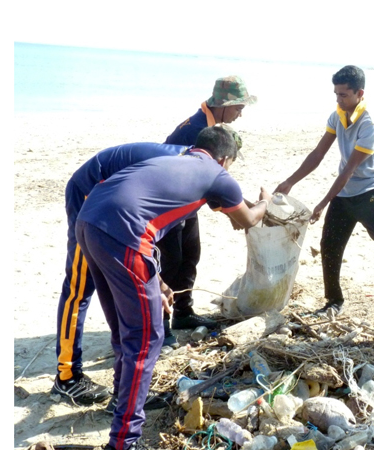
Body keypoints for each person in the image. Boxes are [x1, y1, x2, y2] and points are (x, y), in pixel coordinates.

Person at [75, 126, 270, 450]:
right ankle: (124, 441)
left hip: (90, 221)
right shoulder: (217, 174)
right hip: (123, 233)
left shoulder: (176, 160)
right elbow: (246, 219)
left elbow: (144, 215)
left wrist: (158, 282)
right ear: (224, 158)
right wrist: (264, 203)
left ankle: (120, 403)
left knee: (125, 330)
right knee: (146, 339)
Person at [275, 65, 374, 324]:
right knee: (329, 246)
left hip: (370, 192)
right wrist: (290, 181)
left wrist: (322, 203)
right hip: (344, 195)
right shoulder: (337, 116)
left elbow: (350, 170)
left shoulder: (370, 124)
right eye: (336, 94)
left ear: (359, 93)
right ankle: (334, 301)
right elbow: (318, 154)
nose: (338, 99)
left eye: (343, 95)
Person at [53, 141, 191, 406]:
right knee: (80, 287)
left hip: (111, 203)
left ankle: (124, 391)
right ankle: (66, 377)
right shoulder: (176, 168)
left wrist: (157, 282)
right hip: (89, 195)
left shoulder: (188, 168)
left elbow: (142, 233)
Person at [158, 76, 257, 342]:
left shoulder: (210, 126)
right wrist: (234, 211)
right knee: (169, 265)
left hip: (187, 204)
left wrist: (237, 206)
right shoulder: (196, 129)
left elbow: (211, 178)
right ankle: (162, 327)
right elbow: (205, 175)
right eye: (239, 108)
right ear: (224, 104)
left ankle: (183, 312)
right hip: (169, 205)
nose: (240, 114)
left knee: (190, 256)